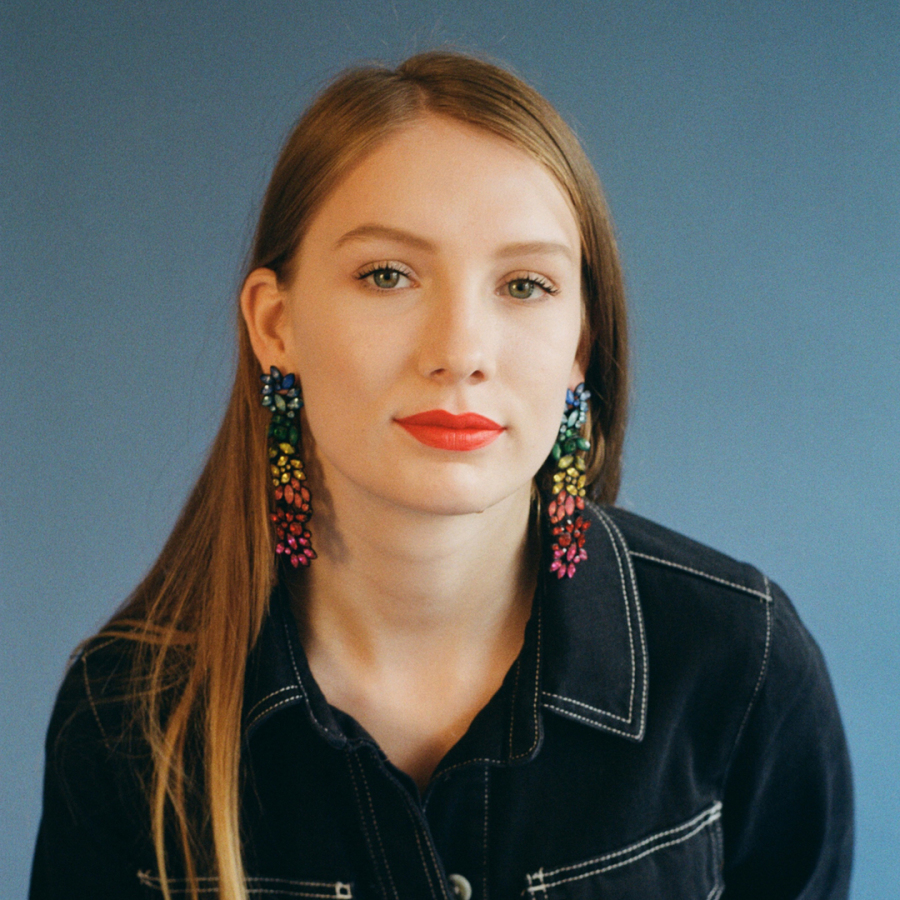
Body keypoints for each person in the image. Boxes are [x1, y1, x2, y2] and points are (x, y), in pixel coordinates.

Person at [30, 51, 852, 900]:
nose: (460, 350)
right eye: (387, 275)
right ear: (276, 327)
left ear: (581, 344)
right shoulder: (125, 717)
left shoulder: (740, 661)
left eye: (525, 284)